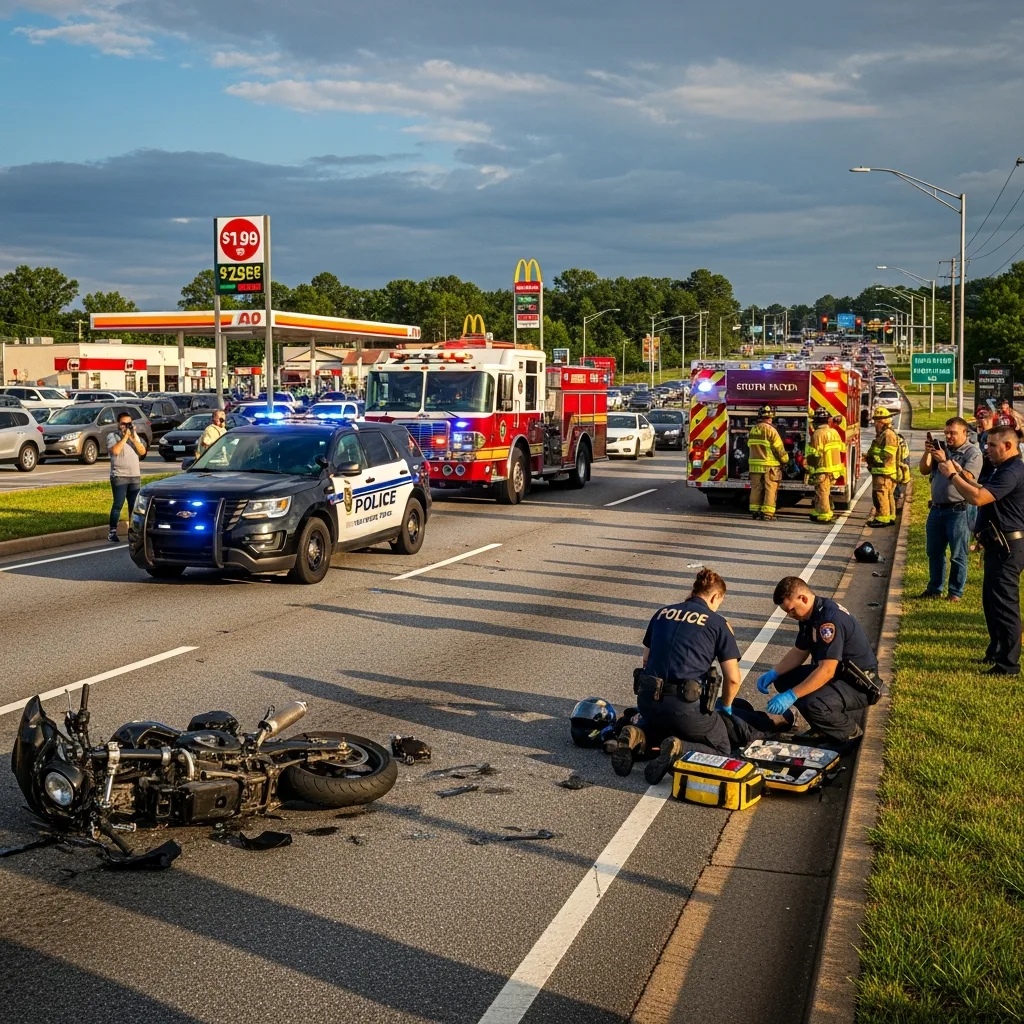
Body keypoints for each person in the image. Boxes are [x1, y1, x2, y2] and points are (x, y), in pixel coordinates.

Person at [610, 568, 791, 783]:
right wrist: (726, 705)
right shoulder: (717, 623)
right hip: (685, 707)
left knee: (666, 725)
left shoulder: (661, 613)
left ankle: (637, 735)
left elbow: (646, 661)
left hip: (648, 702)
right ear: (715, 597)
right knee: (722, 747)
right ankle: (680, 749)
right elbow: (733, 678)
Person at [932, 423, 1024, 675]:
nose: (987, 449)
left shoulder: (1012, 471)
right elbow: (978, 487)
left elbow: (978, 498)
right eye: (987, 444)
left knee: (1005, 606)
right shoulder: (1000, 468)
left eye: (992, 445)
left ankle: (1008, 664)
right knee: (992, 603)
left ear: (1008, 445)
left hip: (1008, 547)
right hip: (996, 543)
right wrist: (958, 471)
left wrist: (952, 476)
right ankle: (995, 651)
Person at [756, 576, 882, 744]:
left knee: (812, 702)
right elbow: (800, 651)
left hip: (859, 683)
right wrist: (774, 673)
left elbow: (826, 671)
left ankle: (848, 732)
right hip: (839, 674)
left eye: (791, 610)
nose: (790, 615)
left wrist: (792, 695)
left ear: (803, 598)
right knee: (784, 680)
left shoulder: (828, 621)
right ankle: (822, 728)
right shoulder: (811, 615)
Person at [918, 417, 982, 602]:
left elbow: (969, 478)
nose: (948, 436)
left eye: (952, 433)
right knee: (934, 551)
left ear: (964, 433)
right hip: (937, 509)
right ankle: (934, 588)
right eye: (946, 433)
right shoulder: (942, 449)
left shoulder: (972, 453)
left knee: (958, 554)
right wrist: (928, 452)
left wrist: (946, 460)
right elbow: (924, 470)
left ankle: (955, 592)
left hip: (959, 510)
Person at [106, 412, 147, 543]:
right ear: (118, 424)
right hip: (119, 476)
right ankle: (112, 532)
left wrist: (133, 438)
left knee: (133, 506)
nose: (126, 426)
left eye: (129, 423)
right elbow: (115, 451)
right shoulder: (112, 436)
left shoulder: (135, 436)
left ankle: (132, 531)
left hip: (134, 475)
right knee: (118, 504)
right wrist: (125, 437)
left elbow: (142, 452)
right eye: (123, 424)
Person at [747, 405, 789, 522]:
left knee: (756, 488)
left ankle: (755, 511)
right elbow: (778, 449)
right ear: (770, 418)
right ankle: (767, 513)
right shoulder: (771, 430)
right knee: (770, 489)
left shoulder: (753, 430)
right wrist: (785, 460)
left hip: (754, 466)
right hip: (769, 466)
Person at [805, 408, 843, 523]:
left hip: (822, 467)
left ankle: (824, 514)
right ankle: (820, 510)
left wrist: (809, 468)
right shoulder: (834, 432)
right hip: (834, 469)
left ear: (817, 421)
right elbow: (841, 448)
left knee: (822, 491)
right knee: (825, 490)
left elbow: (815, 453)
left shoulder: (817, 434)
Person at [865, 407, 898, 527]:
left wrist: (874, 456)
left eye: (878, 422)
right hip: (883, 471)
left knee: (881, 494)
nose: (876, 424)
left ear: (884, 422)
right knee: (887, 495)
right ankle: (890, 517)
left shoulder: (888, 435)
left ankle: (883, 518)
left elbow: (888, 454)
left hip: (884, 471)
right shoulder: (884, 434)